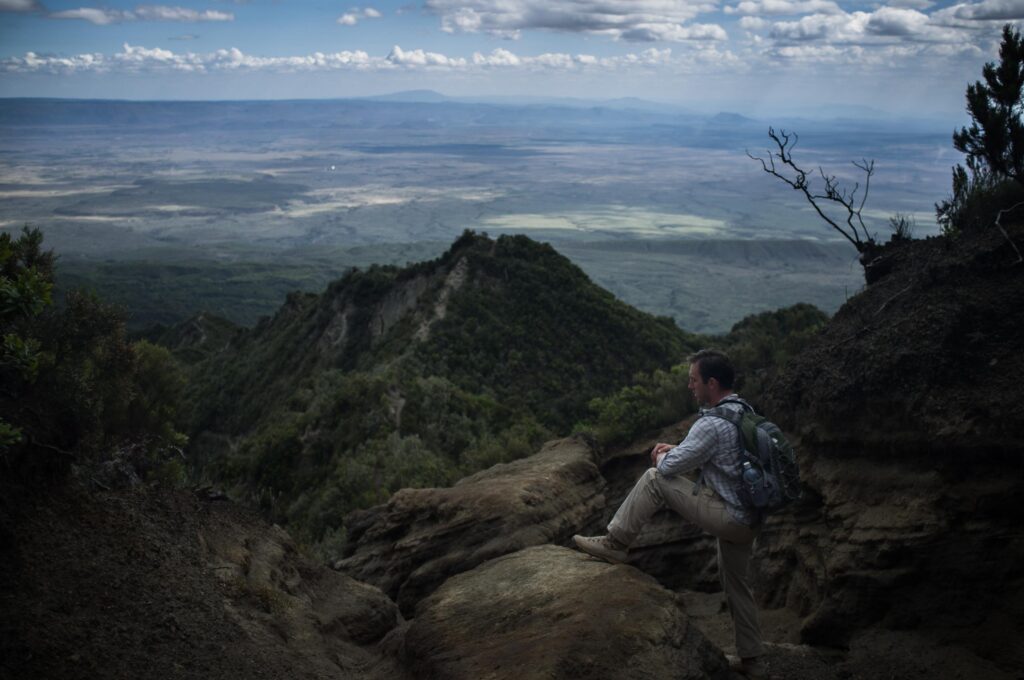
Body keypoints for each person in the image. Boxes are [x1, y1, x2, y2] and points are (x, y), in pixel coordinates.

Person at [573, 349, 767, 679]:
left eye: (693, 380)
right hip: (751, 516)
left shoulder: (711, 422)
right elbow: (721, 453)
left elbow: (669, 469)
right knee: (736, 583)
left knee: (654, 478)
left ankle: (615, 542)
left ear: (711, 383)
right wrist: (676, 449)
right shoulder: (742, 410)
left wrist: (663, 455)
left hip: (730, 515)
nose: (690, 386)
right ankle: (753, 660)